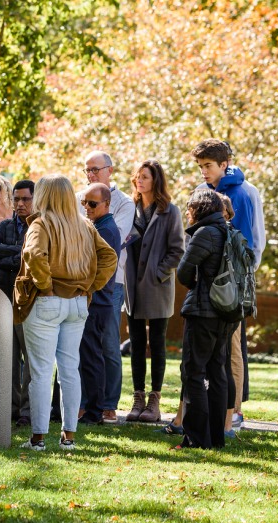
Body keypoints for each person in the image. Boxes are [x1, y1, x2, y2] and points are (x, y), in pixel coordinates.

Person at [17, 174, 117, 452]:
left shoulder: (41, 224)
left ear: (44, 196)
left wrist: (46, 285)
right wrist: (89, 286)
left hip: (48, 302)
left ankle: (38, 438)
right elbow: (110, 257)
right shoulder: (84, 225)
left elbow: (34, 256)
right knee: (70, 370)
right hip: (77, 303)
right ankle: (68, 437)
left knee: (40, 372)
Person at [191, 139, 265, 434]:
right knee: (207, 349)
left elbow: (251, 239)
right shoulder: (204, 192)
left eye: (208, 166)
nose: (204, 172)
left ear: (224, 164)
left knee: (232, 347)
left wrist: (241, 276)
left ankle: (233, 413)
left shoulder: (245, 193)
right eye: (200, 166)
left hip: (233, 282)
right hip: (206, 279)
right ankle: (209, 408)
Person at [124, 159, 185, 423]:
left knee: (157, 343)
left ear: (155, 180)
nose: (140, 180)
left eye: (145, 177)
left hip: (158, 286)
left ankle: (155, 401)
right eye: (138, 176)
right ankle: (138, 398)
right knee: (136, 343)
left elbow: (177, 250)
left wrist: (158, 273)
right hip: (132, 286)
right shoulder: (130, 209)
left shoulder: (169, 211)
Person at [174, 188, 232, 449]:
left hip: (203, 311)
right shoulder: (230, 231)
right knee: (217, 371)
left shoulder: (205, 233)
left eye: (189, 209)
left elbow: (184, 272)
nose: (187, 213)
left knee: (193, 371)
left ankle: (197, 439)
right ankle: (216, 437)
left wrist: (196, 284)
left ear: (198, 210)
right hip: (227, 313)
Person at [84, 151, 134, 423]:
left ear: (109, 170)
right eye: (87, 170)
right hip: (83, 284)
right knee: (85, 346)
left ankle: (109, 403)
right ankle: (86, 402)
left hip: (111, 281)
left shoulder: (123, 203)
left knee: (109, 345)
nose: (91, 174)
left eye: (95, 169)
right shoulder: (83, 199)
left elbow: (110, 242)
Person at [0, 179, 35, 427]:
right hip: (3, 296)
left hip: (28, 299)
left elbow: (34, 257)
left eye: (25, 199)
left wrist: (10, 256)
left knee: (30, 357)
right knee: (9, 357)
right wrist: (17, 253)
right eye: (16, 199)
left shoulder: (39, 227)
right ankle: (11, 408)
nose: (20, 204)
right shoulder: (4, 225)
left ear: (35, 200)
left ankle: (27, 410)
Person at [77, 183, 121, 425]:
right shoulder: (96, 226)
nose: (87, 207)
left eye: (92, 203)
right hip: (94, 300)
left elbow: (89, 266)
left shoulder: (106, 231)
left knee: (92, 357)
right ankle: (87, 409)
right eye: (84, 202)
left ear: (106, 204)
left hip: (98, 301)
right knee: (87, 356)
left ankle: (95, 412)